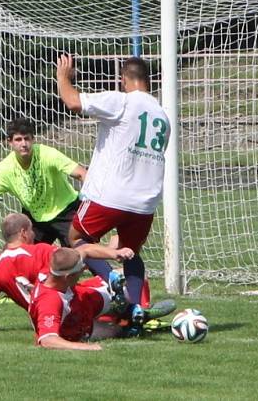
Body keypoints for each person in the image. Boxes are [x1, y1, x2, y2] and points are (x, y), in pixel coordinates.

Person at [56, 54, 170, 334]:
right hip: (144, 201)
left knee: (76, 240)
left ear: (124, 79)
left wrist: (63, 77)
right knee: (131, 253)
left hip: (110, 195)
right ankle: (135, 311)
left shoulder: (122, 101)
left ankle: (113, 283)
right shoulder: (162, 115)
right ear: (149, 80)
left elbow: (73, 102)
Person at [0, 213, 134, 331]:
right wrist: (113, 252)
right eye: (31, 231)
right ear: (24, 233)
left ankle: (119, 316)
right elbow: (79, 254)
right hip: (74, 305)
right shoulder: (40, 250)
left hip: (44, 319)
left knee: (106, 327)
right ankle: (132, 312)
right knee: (129, 279)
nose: (33, 235)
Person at [0, 117, 86, 248]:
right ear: (9, 142)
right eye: (18, 139)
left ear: (33, 139)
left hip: (66, 211)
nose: (24, 144)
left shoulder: (47, 154)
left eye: (27, 138)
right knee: (18, 253)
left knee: (80, 255)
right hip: (34, 218)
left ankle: (107, 269)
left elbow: (81, 173)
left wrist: (92, 196)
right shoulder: (5, 168)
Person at [27, 248, 114, 350]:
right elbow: (47, 340)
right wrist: (87, 347)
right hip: (79, 323)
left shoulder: (52, 272)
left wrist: (116, 253)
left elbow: (85, 250)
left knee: (121, 279)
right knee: (117, 329)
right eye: (80, 270)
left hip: (84, 300)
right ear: (68, 277)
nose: (84, 269)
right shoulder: (50, 301)